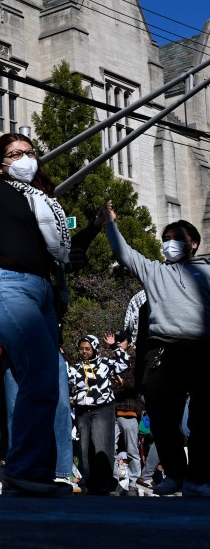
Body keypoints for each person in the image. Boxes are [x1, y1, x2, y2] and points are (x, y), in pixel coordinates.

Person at [0, 88, 72, 497]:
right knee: (39, 373)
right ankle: (23, 469)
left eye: (30, 151)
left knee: (49, 380)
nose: (26, 159)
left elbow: (62, 256)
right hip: (9, 286)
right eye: (15, 154)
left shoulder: (40, 203)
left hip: (42, 294)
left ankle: (41, 469)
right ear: (0, 165)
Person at [101, 202, 210, 497]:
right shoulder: (154, 272)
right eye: (165, 240)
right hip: (165, 352)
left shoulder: (207, 272)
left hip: (202, 352)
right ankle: (175, 474)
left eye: (176, 239)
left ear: (193, 244)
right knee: (163, 418)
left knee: (202, 421)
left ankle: (199, 478)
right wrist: (110, 223)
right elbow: (124, 253)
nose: (169, 245)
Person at [68, 334, 129, 494]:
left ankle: (106, 483)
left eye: (87, 349)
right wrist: (72, 397)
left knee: (101, 445)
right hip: (83, 411)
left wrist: (114, 347)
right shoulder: (74, 368)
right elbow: (68, 385)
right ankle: (90, 483)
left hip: (102, 409)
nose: (84, 352)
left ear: (94, 349)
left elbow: (124, 364)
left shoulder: (105, 363)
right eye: (81, 349)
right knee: (85, 448)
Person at [112, 330, 142, 495]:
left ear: (128, 342)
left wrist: (120, 381)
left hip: (128, 409)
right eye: (116, 340)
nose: (118, 343)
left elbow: (135, 385)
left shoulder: (134, 361)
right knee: (110, 447)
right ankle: (114, 481)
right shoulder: (110, 361)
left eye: (121, 340)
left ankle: (133, 483)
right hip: (110, 411)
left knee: (132, 449)